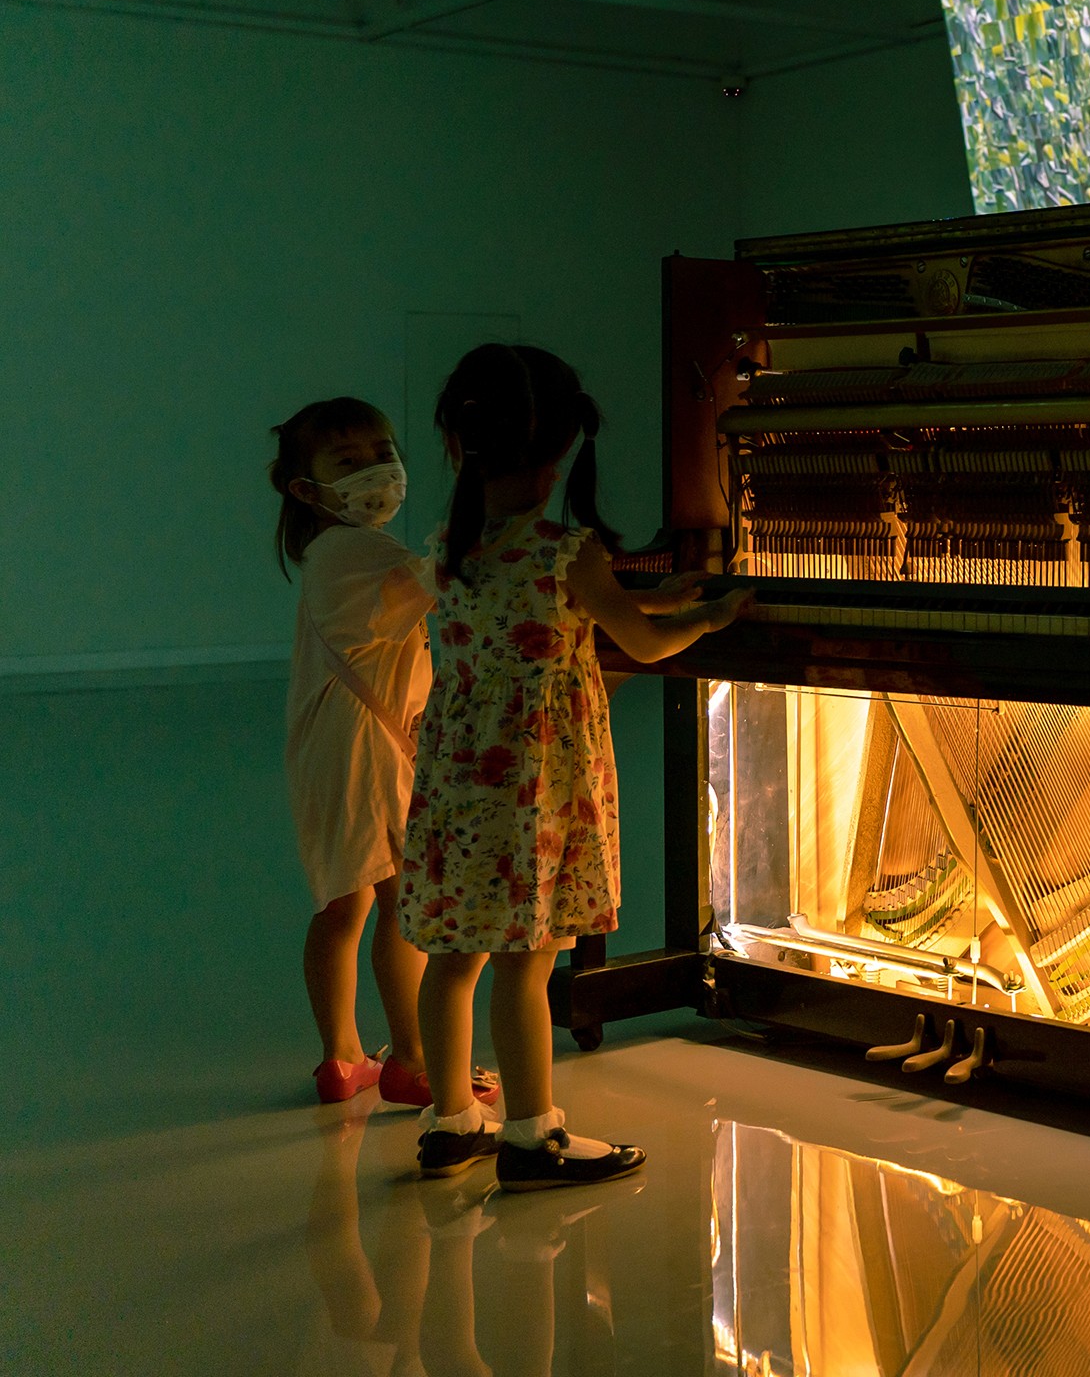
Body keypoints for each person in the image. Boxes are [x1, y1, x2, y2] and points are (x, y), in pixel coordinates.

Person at [404, 344, 747, 1189]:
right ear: (561, 452)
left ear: (462, 445)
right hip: (533, 787)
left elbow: (591, 610)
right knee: (528, 960)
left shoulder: (450, 541)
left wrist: (659, 595)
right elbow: (643, 638)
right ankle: (532, 1136)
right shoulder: (569, 551)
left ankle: (452, 1122)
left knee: (457, 958)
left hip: (458, 780)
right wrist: (713, 617)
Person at [270, 397, 500, 1112]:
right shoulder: (360, 549)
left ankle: (341, 1060)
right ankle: (414, 1061)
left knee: (346, 904)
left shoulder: (328, 551)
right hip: (368, 749)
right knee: (408, 905)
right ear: (305, 489)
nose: (377, 470)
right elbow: (443, 582)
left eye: (382, 452)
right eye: (349, 461)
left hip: (333, 745)